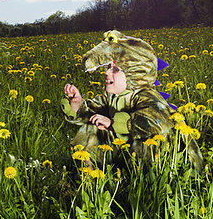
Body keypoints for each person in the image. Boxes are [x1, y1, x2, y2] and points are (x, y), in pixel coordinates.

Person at [61, 30, 203, 170]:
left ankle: (140, 178)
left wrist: (113, 123)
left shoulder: (147, 96)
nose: (106, 72)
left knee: (145, 143)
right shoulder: (112, 97)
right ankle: (88, 170)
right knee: (92, 126)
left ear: (134, 74)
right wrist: (77, 104)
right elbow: (93, 109)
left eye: (115, 69)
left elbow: (155, 122)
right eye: (108, 67)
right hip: (126, 148)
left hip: (163, 157)